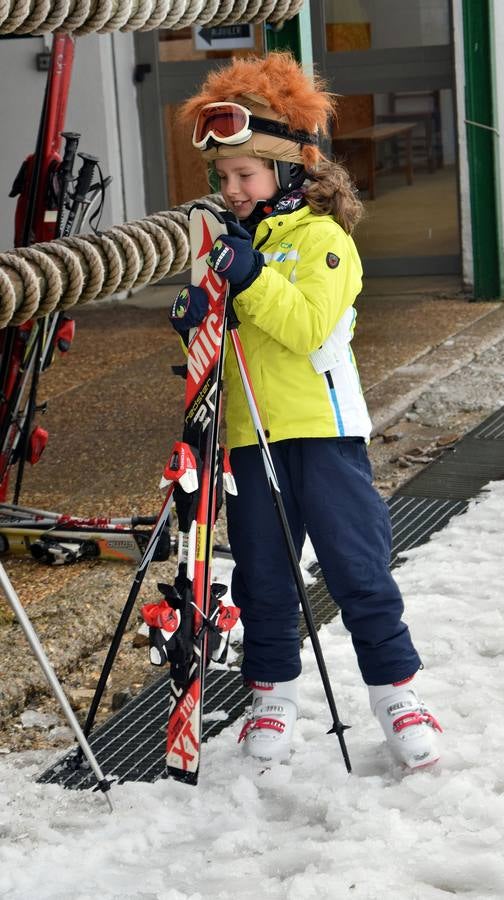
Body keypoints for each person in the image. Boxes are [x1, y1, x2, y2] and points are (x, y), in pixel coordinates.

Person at [170, 52, 442, 770]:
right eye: (222, 178)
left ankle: (397, 695)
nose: (231, 190)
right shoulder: (229, 243)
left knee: (357, 568)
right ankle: (271, 696)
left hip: (322, 432)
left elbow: (304, 329)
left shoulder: (322, 239)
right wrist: (198, 312)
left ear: (287, 169)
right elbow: (220, 341)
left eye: (245, 175)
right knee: (261, 573)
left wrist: (249, 276)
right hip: (246, 434)